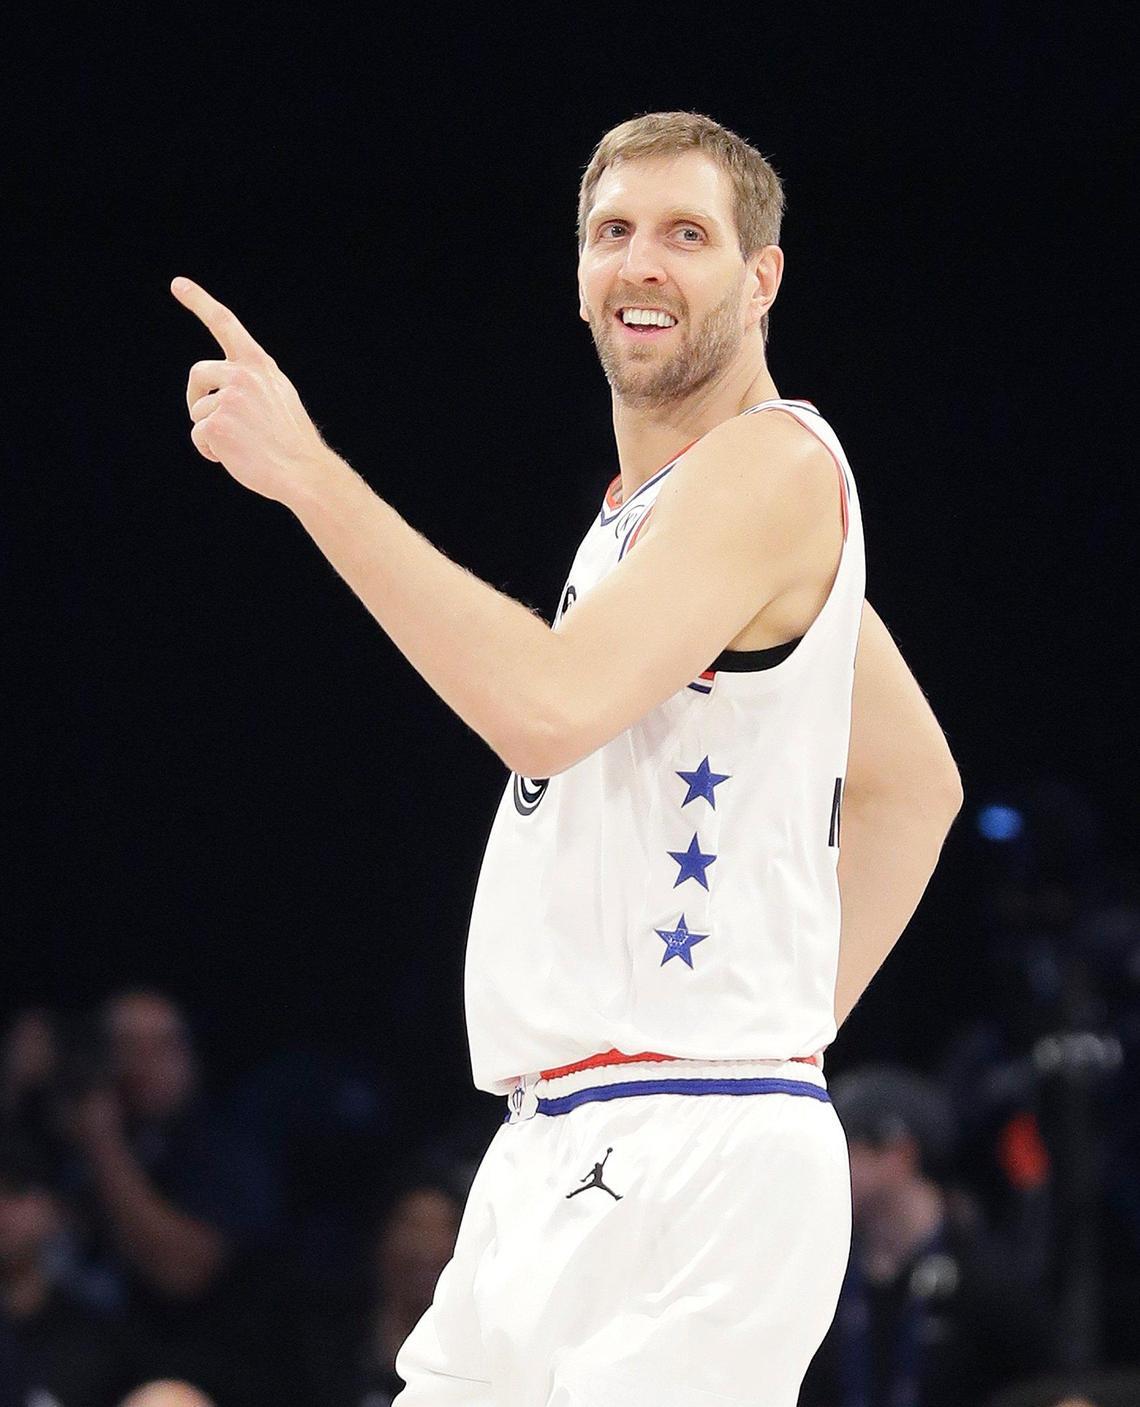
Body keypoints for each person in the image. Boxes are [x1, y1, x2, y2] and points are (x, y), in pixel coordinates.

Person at [170, 110, 963, 1406]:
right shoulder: (656, 521)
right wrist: (783, 1015)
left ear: (761, 278)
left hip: (688, 1147)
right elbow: (916, 782)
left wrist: (310, 474)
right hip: (560, 1145)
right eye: (613, 232)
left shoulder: (770, 467)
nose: (641, 262)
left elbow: (543, 708)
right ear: (579, 271)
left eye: (687, 234)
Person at [798, 1064, 1051, 1407]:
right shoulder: (822, 1277)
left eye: (845, 1148)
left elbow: (1042, 1387)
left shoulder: (987, 1278)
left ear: (899, 1154)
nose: (829, 1165)